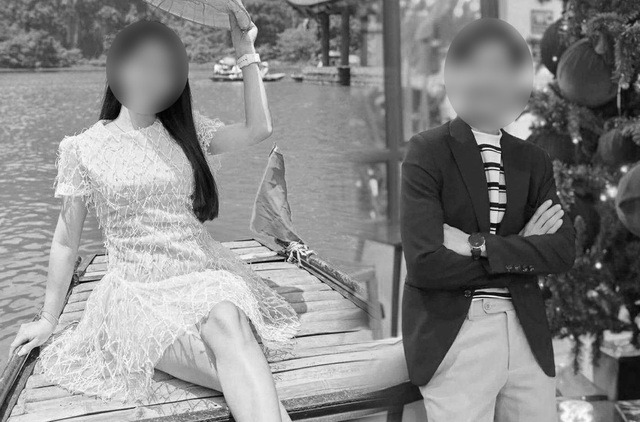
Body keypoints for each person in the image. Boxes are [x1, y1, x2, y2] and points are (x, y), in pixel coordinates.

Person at [7, 15, 300, 422]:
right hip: (137, 296)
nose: (149, 76)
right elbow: (65, 240)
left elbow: (258, 128)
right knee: (249, 377)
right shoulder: (83, 148)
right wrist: (47, 319)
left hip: (201, 279)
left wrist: (246, 50)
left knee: (227, 316)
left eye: (162, 68)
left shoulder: (187, 131)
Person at [400, 18, 576, 421]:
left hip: (527, 330)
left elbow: (562, 251)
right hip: (458, 331)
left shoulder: (534, 160)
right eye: (479, 67)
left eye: (501, 69)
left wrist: (476, 245)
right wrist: (523, 249)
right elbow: (426, 264)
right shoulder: (427, 151)